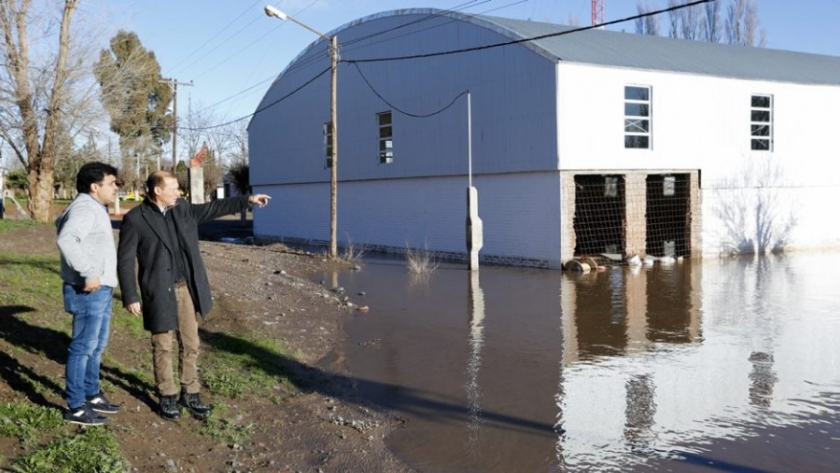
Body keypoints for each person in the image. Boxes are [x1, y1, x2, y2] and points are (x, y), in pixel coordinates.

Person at [117, 170, 271, 421]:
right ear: (157, 191)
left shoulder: (183, 208)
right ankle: (167, 395)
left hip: (186, 289)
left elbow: (212, 208)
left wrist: (247, 200)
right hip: (158, 290)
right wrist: (130, 296)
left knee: (191, 343)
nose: (178, 192)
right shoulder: (136, 219)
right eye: (173, 188)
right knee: (163, 345)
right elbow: (125, 260)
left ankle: (191, 392)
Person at [56, 162, 122, 426]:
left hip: (100, 289)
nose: (116, 188)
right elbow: (67, 239)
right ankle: (75, 406)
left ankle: (91, 394)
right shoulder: (85, 207)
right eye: (112, 183)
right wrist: (88, 272)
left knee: (96, 347)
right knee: (83, 348)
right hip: (89, 290)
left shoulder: (92, 207)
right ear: (95, 187)